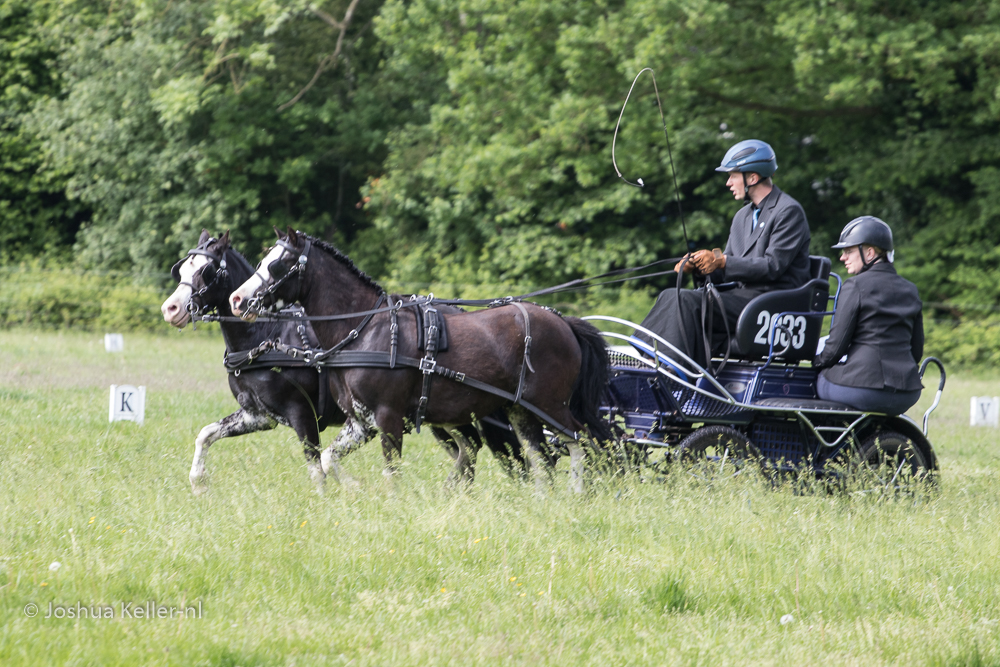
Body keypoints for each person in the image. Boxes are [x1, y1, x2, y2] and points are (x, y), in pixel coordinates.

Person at [639, 139, 812, 365]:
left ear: (752, 177)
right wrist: (699, 268)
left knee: (686, 301)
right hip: (741, 299)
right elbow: (727, 270)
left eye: (732, 175)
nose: (728, 182)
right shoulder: (742, 217)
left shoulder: (788, 211)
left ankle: (671, 371)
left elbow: (772, 266)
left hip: (770, 304)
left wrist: (720, 261)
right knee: (671, 295)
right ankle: (647, 359)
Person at [813, 216, 923, 414]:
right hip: (907, 393)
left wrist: (816, 361)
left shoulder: (855, 285)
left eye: (848, 251)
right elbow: (916, 352)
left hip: (864, 390)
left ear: (870, 252)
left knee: (818, 378)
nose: (842, 257)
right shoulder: (911, 290)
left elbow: (835, 348)